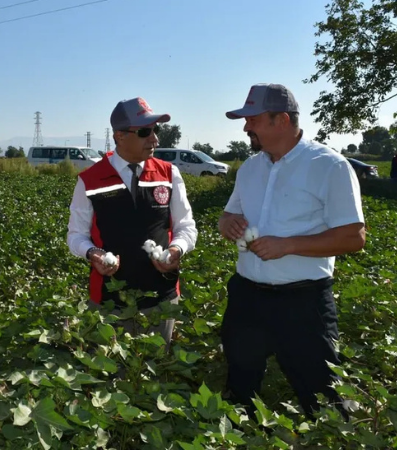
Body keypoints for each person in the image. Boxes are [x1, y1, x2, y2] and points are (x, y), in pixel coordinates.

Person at [217, 83, 365, 417]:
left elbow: (354, 237)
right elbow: (229, 215)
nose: (245, 127)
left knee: (323, 395)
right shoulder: (250, 168)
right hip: (246, 298)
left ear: (281, 120)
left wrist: (288, 246)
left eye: (252, 120)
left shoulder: (330, 166)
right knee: (240, 386)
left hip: (303, 303)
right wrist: (227, 224)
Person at [67, 97, 197, 350]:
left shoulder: (169, 174)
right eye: (145, 132)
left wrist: (176, 250)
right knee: (109, 372)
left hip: (162, 297)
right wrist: (92, 253)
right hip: (108, 299)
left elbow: (186, 226)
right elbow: (76, 235)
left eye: (155, 130)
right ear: (120, 136)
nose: (155, 139)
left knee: (155, 369)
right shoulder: (90, 180)